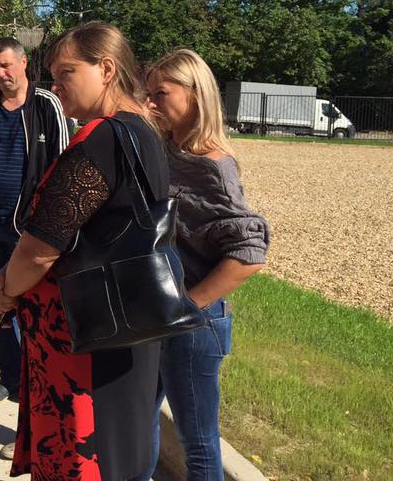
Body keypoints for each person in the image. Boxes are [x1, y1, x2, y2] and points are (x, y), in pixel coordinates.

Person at [0, 21, 166, 480]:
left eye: (66, 72)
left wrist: (4, 291)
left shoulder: (100, 139)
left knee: (82, 456)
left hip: (82, 343)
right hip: (125, 325)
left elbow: (42, 248)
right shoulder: (143, 132)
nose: (56, 86)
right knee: (118, 455)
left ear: (106, 69)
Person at [142, 49, 270, 481]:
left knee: (197, 441)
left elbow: (250, 253)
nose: (152, 101)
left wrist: (188, 304)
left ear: (195, 95)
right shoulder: (166, 148)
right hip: (159, 314)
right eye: (149, 92)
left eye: (161, 93)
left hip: (195, 326)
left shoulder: (215, 166)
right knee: (139, 420)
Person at [0, 36, 71, 405]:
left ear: (23, 63)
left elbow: (63, 164)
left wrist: (47, 223)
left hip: (30, 232)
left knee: (33, 306)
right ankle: (11, 379)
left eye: (6, 65)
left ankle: (39, 381)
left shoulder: (47, 105)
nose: (0, 73)